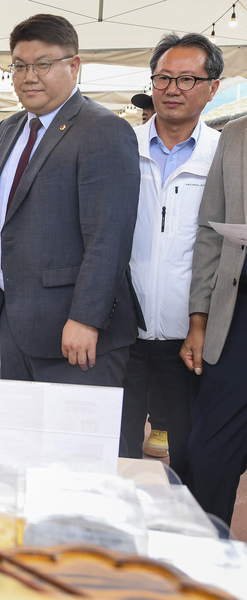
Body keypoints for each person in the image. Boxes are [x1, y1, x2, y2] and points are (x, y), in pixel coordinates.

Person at [0, 14, 140, 387]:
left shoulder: (102, 129)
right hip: (14, 321)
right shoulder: (8, 129)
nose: (29, 76)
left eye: (43, 64)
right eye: (19, 66)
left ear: (75, 66)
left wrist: (86, 318)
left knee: (77, 445)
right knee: (21, 440)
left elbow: (109, 237)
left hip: (75, 332)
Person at [121, 33, 221, 478]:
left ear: (212, 87)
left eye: (187, 78)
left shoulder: (224, 157)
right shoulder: (122, 148)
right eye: (163, 78)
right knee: (117, 449)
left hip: (190, 335)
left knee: (188, 448)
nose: (173, 89)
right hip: (121, 329)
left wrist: (203, 323)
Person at [180, 121, 247, 527]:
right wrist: (199, 319)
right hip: (235, 316)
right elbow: (209, 231)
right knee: (210, 455)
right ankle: (204, 567)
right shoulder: (236, 136)